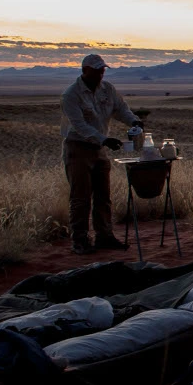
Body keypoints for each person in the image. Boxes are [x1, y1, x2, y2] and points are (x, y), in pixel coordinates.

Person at [60, 54, 143, 255]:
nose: (100, 74)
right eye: (96, 71)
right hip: (78, 148)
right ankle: (80, 240)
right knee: (80, 197)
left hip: (99, 149)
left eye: (102, 70)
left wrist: (133, 120)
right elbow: (79, 126)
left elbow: (120, 109)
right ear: (85, 71)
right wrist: (104, 140)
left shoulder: (107, 89)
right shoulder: (71, 95)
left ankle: (104, 236)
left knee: (103, 196)